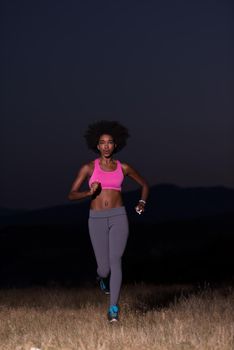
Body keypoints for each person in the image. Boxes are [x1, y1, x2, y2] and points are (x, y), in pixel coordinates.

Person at [68, 120, 149, 322]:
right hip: (96, 219)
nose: (106, 146)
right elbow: (71, 194)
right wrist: (89, 192)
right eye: (102, 142)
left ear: (115, 145)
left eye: (110, 142)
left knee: (116, 261)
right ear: (97, 145)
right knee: (104, 268)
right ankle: (102, 279)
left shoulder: (124, 167)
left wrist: (141, 202)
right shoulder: (88, 168)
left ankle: (113, 308)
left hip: (119, 216)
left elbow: (145, 185)